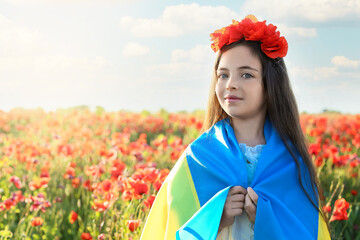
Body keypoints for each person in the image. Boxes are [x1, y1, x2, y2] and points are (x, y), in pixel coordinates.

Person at [140, 15, 332, 240]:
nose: (231, 83)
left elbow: (305, 231)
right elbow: (170, 227)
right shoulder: (199, 157)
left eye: (246, 74)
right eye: (223, 75)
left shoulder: (291, 160)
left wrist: (268, 219)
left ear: (271, 84)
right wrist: (214, 217)